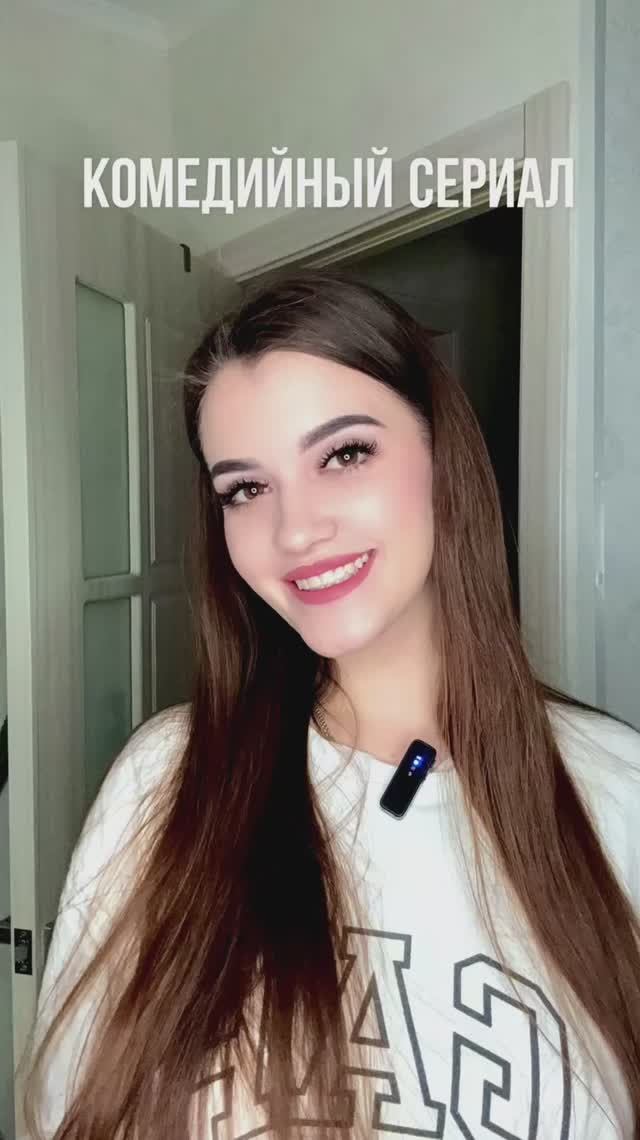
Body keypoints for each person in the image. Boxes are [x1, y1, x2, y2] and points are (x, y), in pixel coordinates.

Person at [21, 270, 640, 1140]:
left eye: (344, 454)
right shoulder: (166, 780)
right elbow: (68, 1106)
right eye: (245, 488)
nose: (295, 529)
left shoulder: (616, 790)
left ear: (443, 455)